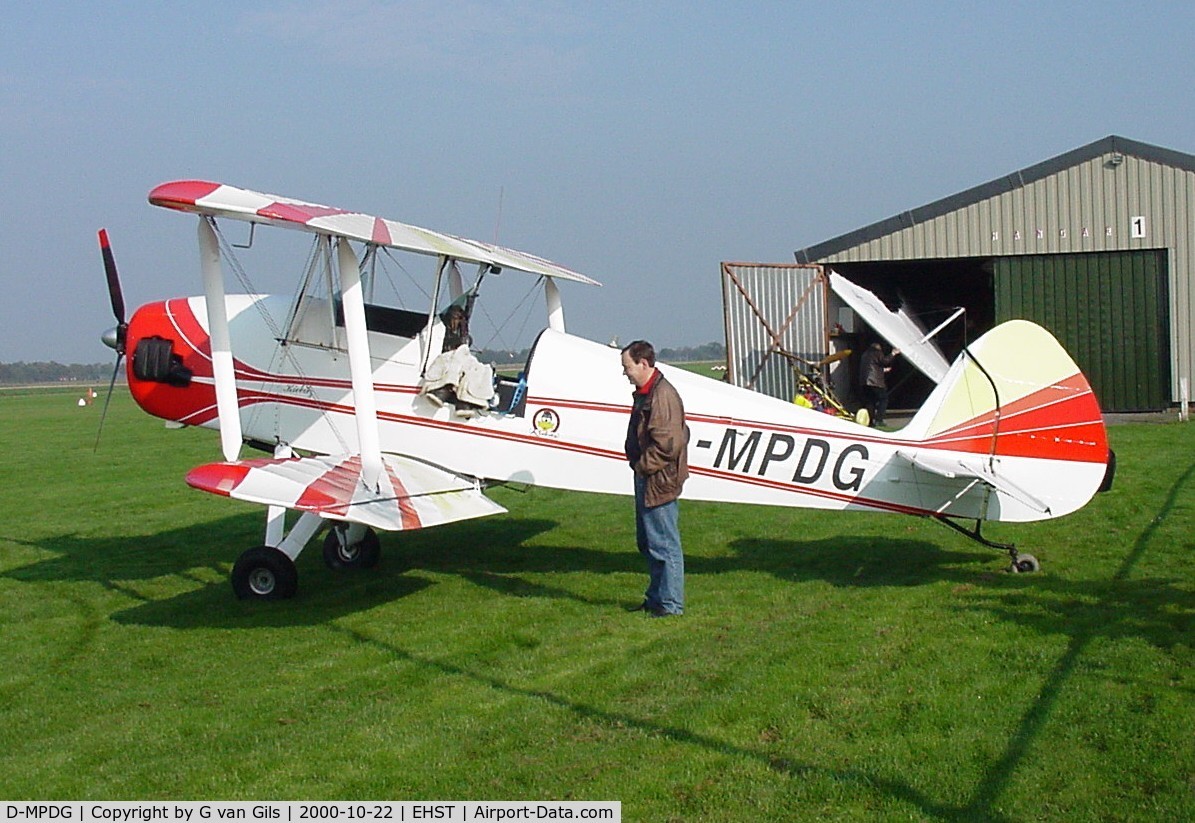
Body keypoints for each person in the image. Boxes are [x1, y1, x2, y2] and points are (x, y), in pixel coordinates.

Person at [621, 340, 689, 617]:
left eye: (627, 367)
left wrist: (642, 467)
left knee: (664, 544)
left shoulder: (662, 396)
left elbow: (668, 444)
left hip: (658, 479)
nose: (625, 373)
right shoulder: (646, 392)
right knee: (648, 542)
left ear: (643, 364)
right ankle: (656, 598)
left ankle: (671, 605)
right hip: (649, 476)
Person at [859, 342, 900, 427]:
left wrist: (883, 370)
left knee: (870, 401)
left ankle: (870, 421)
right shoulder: (877, 353)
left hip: (864, 382)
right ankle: (879, 419)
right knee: (883, 399)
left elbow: (872, 367)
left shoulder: (865, 354)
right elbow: (885, 361)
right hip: (875, 382)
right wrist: (893, 353)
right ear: (879, 348)